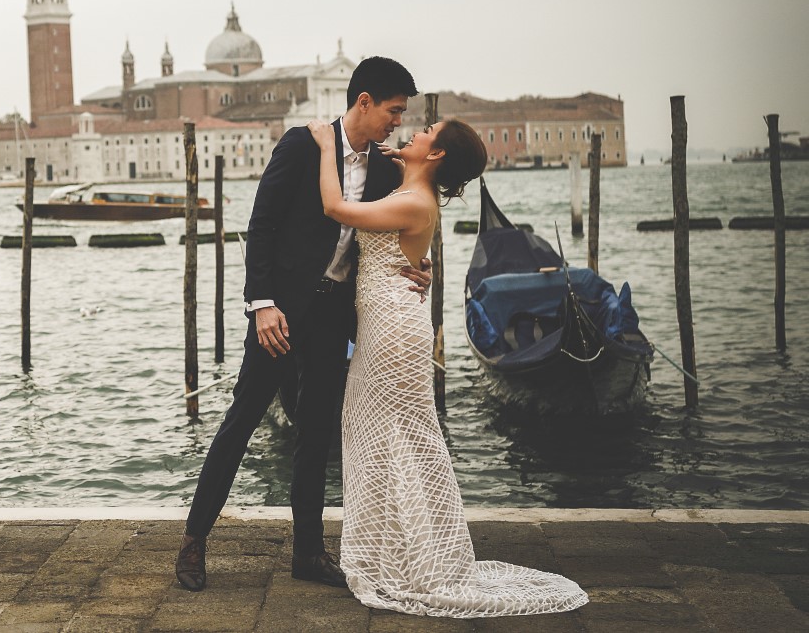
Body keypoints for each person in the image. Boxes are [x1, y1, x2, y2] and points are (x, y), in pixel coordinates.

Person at [305, 116, 588, 617]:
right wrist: (399, 160)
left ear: (436, 156)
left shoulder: (414, 201)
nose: (413, 132)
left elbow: (334, 207)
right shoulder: (413, 192)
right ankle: (397, 549)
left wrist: (328, 143)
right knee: (382, 437)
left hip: (393, 331)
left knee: (395, 440)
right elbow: (396, 242)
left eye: (426, 132)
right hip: (388, 324)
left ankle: (408, 557)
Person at [175, 56, 430, 592]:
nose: (396, 122)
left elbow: (386, 236)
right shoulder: (302, 143)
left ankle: (308, 554)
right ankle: (195, 542)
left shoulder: (386, 169)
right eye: (393, 111)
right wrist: (262, 303)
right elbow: (261, 225)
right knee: (242, 420)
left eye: (402, 114)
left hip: (335, 315)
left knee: (316, 434)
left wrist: (417, 266)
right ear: (364, 101)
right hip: (280, 313)